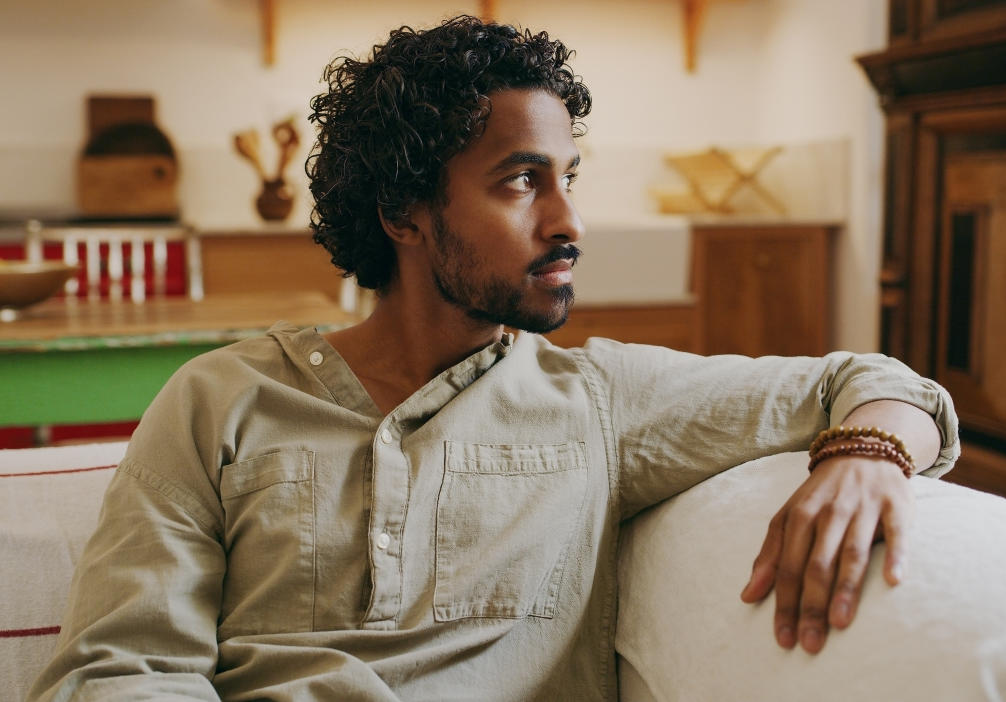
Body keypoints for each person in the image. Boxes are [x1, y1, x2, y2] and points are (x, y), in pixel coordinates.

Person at [29, 15, 958, 702]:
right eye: (522, 181)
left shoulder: (603, 399)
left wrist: (868, 456)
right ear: (405, 213)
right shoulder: (219, 399)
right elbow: (121, 666)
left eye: (569, 180)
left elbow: (872, 383)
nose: (569, 223)